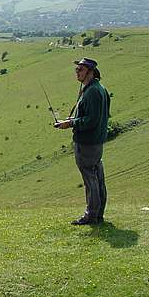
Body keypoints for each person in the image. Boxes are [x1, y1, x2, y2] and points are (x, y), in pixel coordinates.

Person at [55, 57, 110, 225]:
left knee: (90, 178)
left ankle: (91, 215)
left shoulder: (93, 91)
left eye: (80, 69)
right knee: (97, 176)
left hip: (87, 142)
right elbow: (95, 116)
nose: (77, 72)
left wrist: (71, 123)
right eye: (76, 70)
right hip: (96, 141)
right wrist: (74, 118)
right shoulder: (98, 89)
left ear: (90, 72)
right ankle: (98, 213)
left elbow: (92, 120)